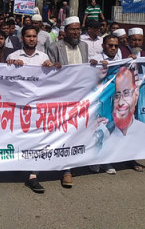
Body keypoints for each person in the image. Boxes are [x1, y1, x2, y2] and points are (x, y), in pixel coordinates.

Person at [6, 25, 53, 193]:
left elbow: (52, 80)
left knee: (37, 140)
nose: (31, 39)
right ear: (22, 39)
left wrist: (51, 67)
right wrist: (10, 65)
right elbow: (4, 81)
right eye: (28, 36)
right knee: (18, 137)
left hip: (38, 106)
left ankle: (33, 175)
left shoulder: (44, 57)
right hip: (18, 106)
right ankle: (16, 164)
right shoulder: (13, 56)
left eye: (34, 36)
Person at [45, 16, 88, 188]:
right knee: (61, 132)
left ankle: (68, 167)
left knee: (76, 132)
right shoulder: (54, 47)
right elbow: (47, 72)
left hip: (82, 97)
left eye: (78, 29)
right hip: (61, 97)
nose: (76, 32)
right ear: (65, 31)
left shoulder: (84, 46)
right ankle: (64, 168)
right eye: (73, 29)